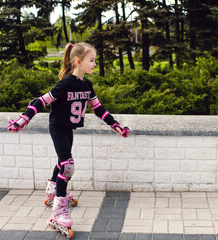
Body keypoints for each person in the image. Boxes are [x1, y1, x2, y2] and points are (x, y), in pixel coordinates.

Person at [8, 42, 130, 238]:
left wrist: (116, 125)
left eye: (95, 60)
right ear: (79, 61)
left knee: (63, 160)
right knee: (67, 165)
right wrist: (23, 119)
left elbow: (98, 109)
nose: (94, 64)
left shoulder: (87, 85)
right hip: (57, 127)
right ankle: (58, 212)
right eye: (91, 60)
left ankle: (52, 188)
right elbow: (41, 101)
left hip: (68, 128)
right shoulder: (65, 83)